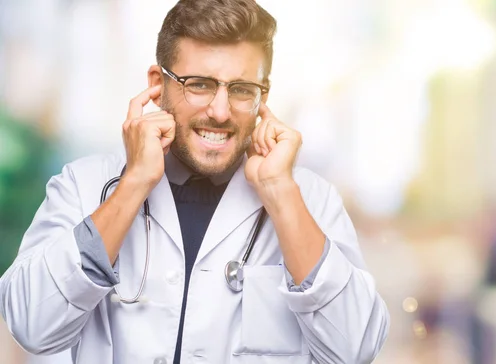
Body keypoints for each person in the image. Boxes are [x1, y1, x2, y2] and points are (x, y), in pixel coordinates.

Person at [0, 1, 390, 363]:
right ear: (158, 83)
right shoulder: (85, 185)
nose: (220, 111)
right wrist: (135, 182)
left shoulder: (309, 200)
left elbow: (354, 348)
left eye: (240, 90)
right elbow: (32, 326)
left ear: (263, 96)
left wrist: (281, 195)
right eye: (199, 84)